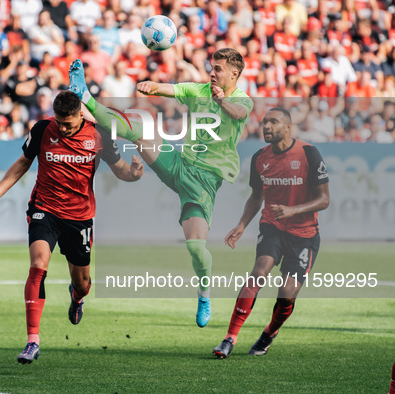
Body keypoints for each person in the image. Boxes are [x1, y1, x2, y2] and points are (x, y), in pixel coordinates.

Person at [68, 47, 254, 328]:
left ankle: (204, 294)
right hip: (178, 163)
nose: (212, 73)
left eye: (217, 69)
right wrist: (149, 86)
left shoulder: (243, 99)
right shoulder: (198, 90)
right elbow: (166, 89)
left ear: (234, 74)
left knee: (195, 247)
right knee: (139, 125)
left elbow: (239, 114)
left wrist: (222, 101)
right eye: (211, 68)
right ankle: (87, 100)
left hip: (203, 183)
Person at [0, 90, 144, 364]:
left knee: (82, 283)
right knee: (38, 266)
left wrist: (134, 174)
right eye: (59, 122)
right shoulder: (42, 129)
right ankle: (32, 341)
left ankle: (77, 296)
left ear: (80, 115)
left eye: (68, 124)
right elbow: (24, 162)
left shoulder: (99, 136)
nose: (62, 128)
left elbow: (120, 169)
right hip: (44, 209)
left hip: (79, 216)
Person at [212, 107, 330, 358]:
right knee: (258, 272)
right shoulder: (259, 158)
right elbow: (257, 196)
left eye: (273, 122)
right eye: (265, 122)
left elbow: (324, 199)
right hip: (273, 226)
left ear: (288, 127)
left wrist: (293, 210)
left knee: (287, 294)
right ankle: (229, 338)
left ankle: (269, 333)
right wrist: (242, 225)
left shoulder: (309, 153)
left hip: (305, 234)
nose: (266, 126)